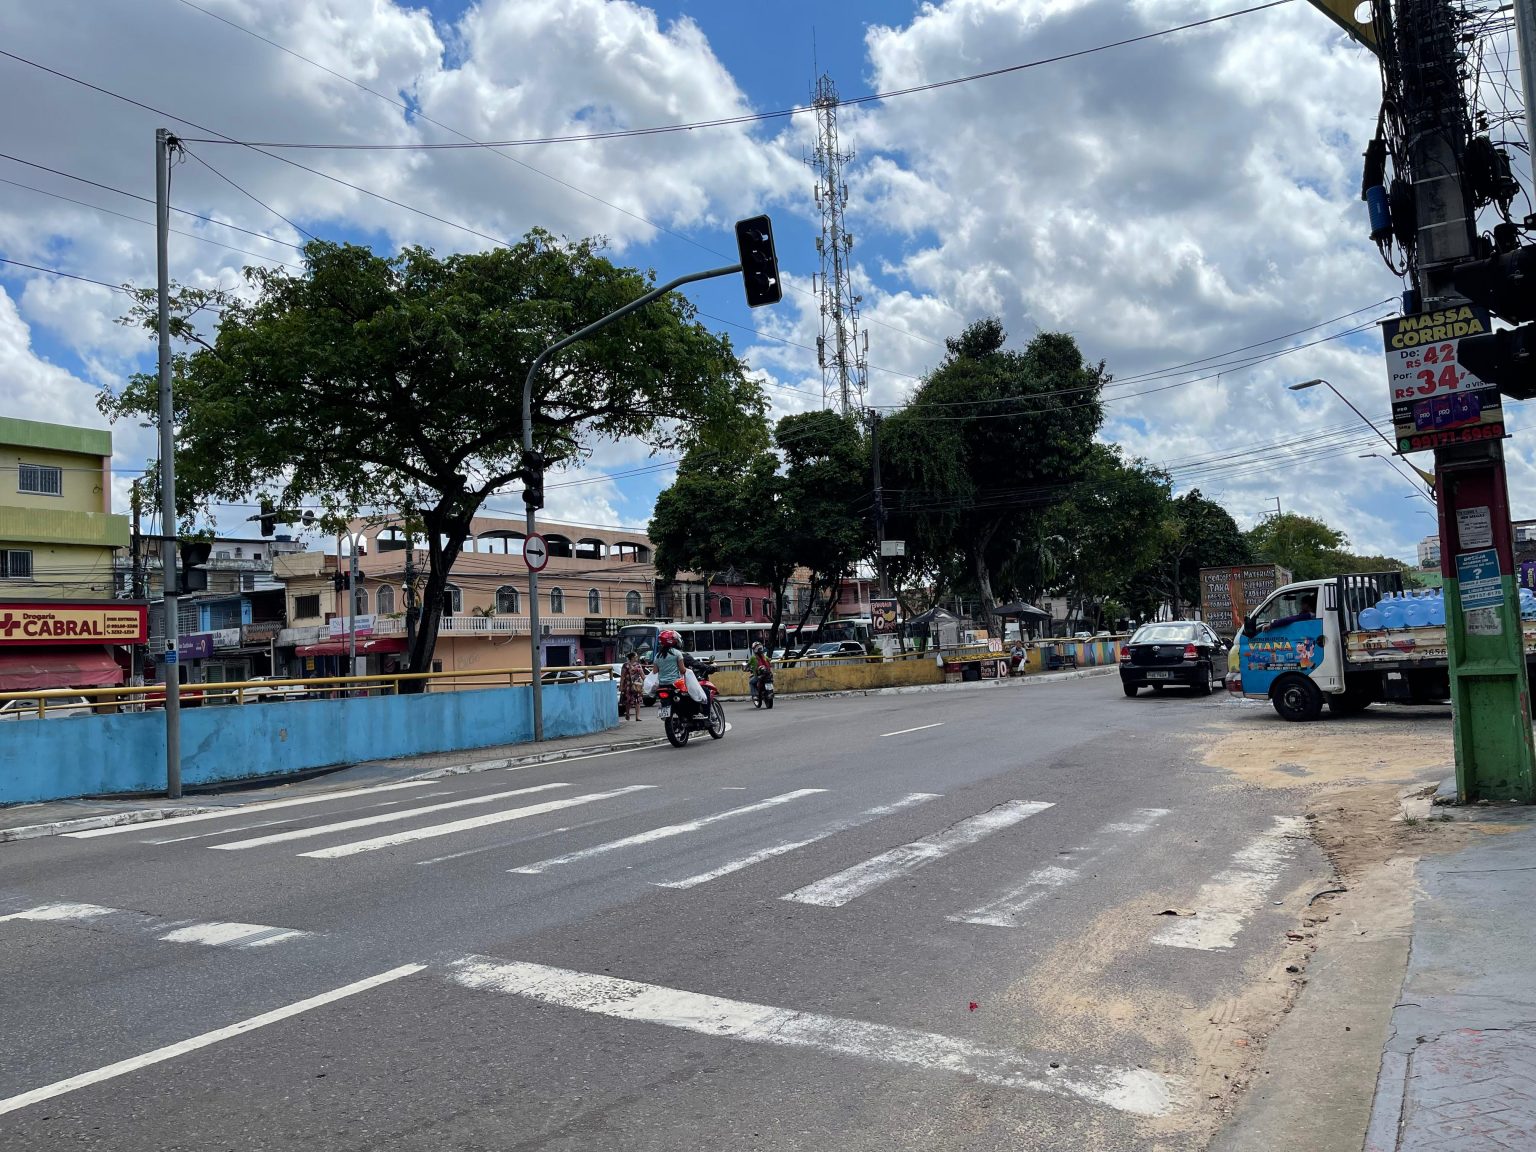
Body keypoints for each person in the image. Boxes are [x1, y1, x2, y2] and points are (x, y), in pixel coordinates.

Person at [620, 651, 646, 722]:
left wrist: (646, 682)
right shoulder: (625, 665)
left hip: (637, 685)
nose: (637, 657)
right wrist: (621, 686)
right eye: (636, 656)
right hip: (628, 685)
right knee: (628, 700)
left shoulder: (638, 665)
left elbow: (642, 675)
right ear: (632, 657)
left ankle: (637, 717)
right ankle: (627, 713)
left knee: (638, 700)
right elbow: (622, 676)